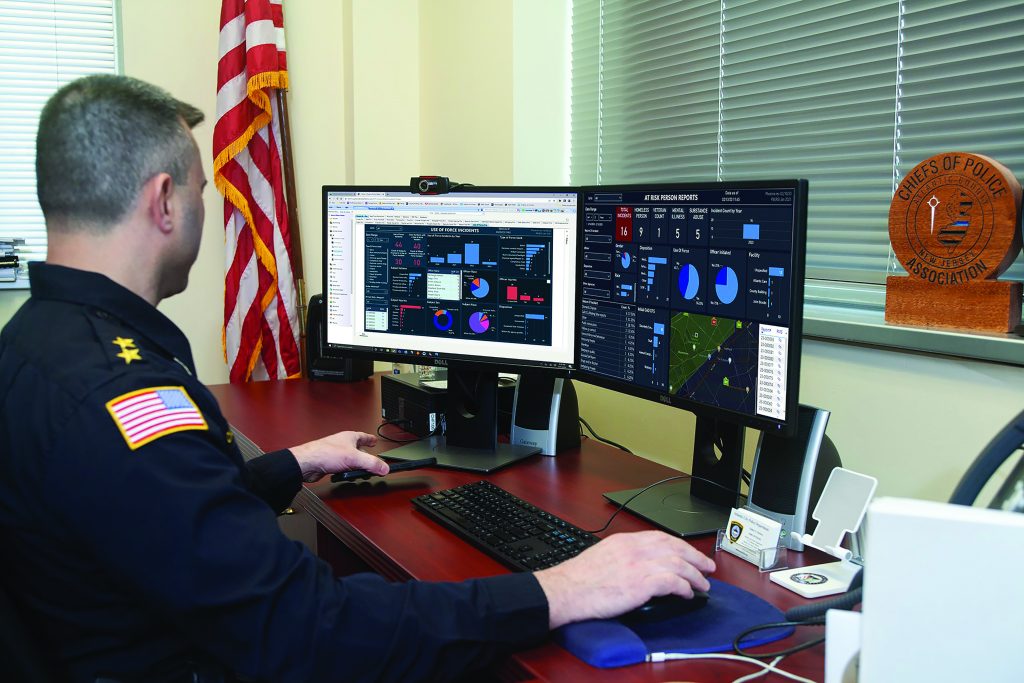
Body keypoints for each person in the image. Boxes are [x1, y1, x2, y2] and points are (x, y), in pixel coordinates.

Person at [0, 74, 715, 683]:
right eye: (200, 190)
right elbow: (310, 629)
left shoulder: (34, 344)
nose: (202, 208)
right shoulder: (119, 394)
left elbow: (140, 512)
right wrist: (559, 587)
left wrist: (288, 464)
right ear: (162, 201)